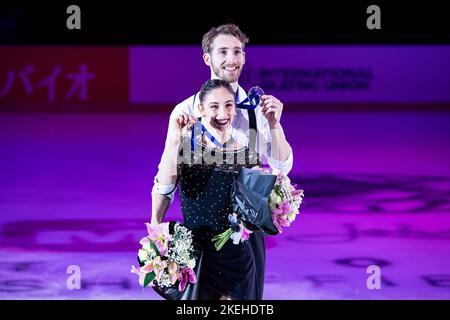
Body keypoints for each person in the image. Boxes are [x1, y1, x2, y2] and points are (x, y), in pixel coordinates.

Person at [151, 24, 294, 299]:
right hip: (200, 240)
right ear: (208, 58)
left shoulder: (257, 110)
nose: (232, 59)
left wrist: (275, 125)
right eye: (223, 51)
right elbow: (166, 180)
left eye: (238, 51)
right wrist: (156, 231)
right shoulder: (185, 112)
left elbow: (282, 167)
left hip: (246, 243)